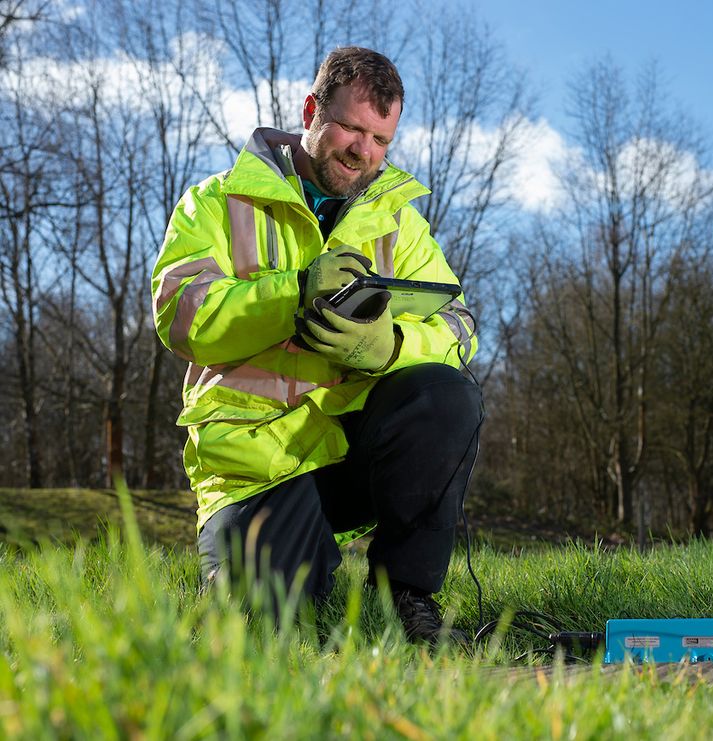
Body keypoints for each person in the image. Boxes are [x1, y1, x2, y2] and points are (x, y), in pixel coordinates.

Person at [151, 47, 481, 643]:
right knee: (259, 627)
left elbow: (459, 326)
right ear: (311, 111)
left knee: (446, 395)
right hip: (257, 464)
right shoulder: (217, 202)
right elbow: (179, 316)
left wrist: (390, 347)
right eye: (351, 128)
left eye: (381, 139)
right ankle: (283, 553)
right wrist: (295, 291)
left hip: (354, 451)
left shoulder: (400, 222)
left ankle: (407, 596)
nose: (364, 151)